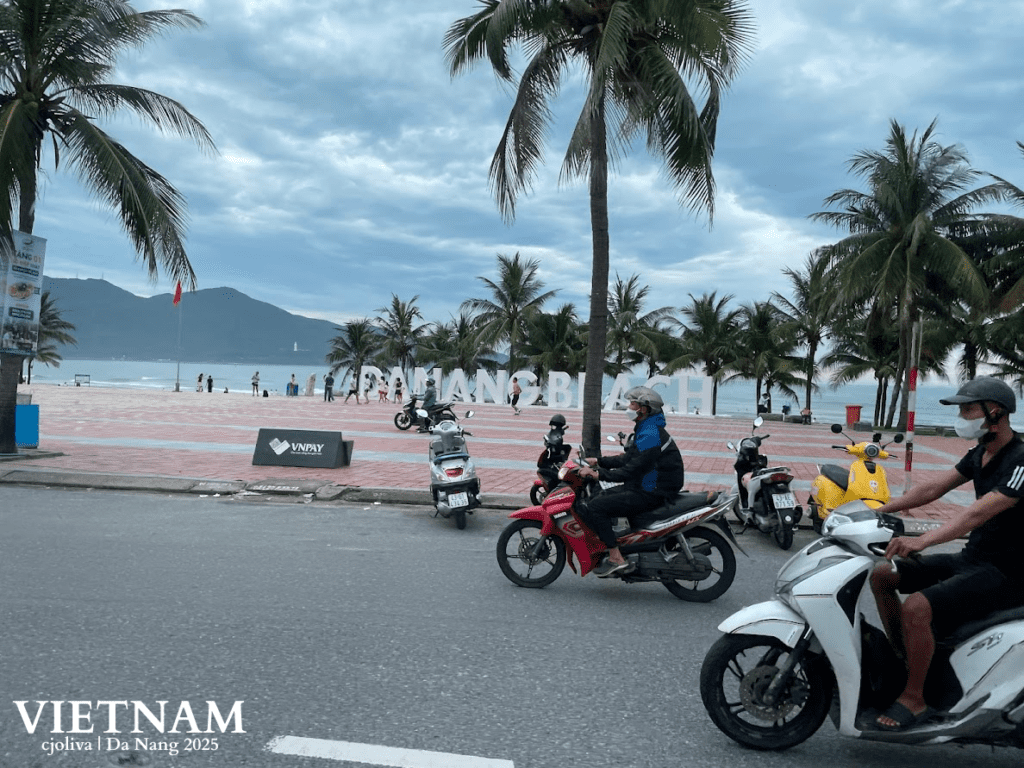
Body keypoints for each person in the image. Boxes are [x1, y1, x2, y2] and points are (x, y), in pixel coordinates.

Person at [869, 377, 1024, 731]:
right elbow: (935, 487)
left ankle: (914, 698)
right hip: (973, 559)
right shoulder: (980, 454)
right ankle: (906, 659)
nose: (962, 416)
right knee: (882, 574)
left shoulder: (1021, 460)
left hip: (1006, 571)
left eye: (968, 409)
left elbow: (979, 512)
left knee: (918, 606)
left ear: (994, 412)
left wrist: (924, 540)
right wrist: (878, 510)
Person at [577, 386, 685, 577]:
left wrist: (599, 474)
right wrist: (599, 462)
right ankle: (613, 544)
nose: (629, 407)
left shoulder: (650, 433)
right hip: (647, 486)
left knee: (597, 507)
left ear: (644, 408)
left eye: (632, 404)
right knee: (600, 496)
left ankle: (616, 557)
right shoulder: (647, 428)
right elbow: (628, 459)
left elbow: (632, 469)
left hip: (652, 491)